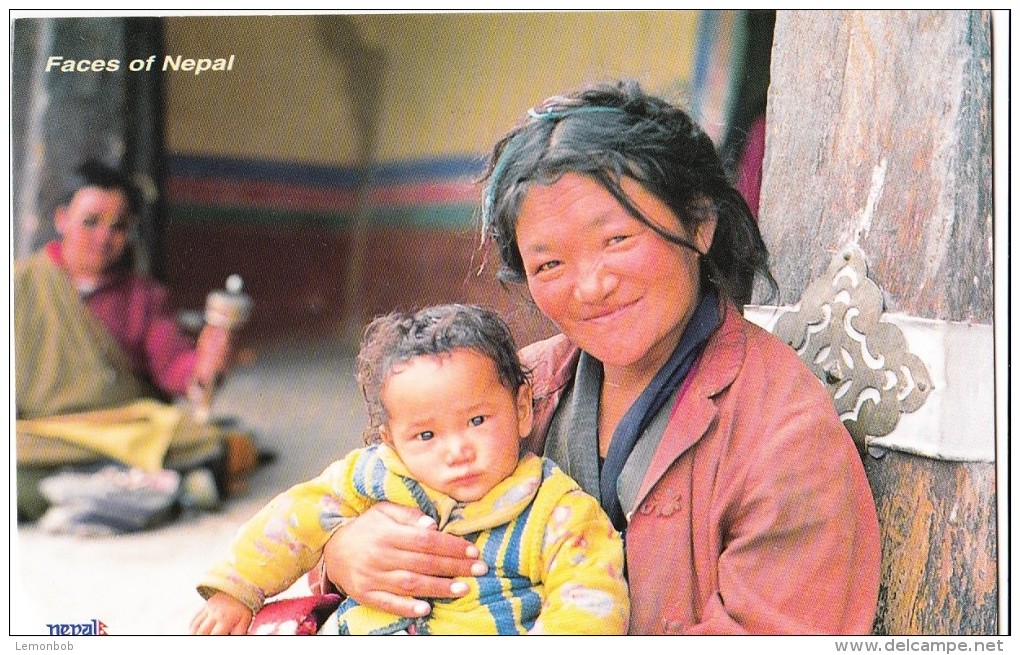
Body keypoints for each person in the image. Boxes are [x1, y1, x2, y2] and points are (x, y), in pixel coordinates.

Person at [313, 80, 882, 634]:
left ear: (700, 224)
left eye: (617, 240)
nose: (590, 287)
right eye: (550, 265)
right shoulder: (514, 386)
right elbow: (362, 489)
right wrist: (342, 551)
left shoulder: (784, 432)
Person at [191, 304, 629, 635]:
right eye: (426, 436)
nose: (457, 451)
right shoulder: (373, 477)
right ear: (390, 438)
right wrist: (235, 590)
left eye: (477, 421)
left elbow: (590, 596)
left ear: (520, 409)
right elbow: (292, 519)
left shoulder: (555, 509)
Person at [14, 159, 256, 522]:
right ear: (62, 219)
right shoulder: (19, 284)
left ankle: (74, 494)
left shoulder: (143, 296)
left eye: (118, 227)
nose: (103, 238)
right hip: (42, 434)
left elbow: (176, 369)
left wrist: (209, 359)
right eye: (91, 221)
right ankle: (151, 490)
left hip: (122, 429)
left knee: (211, 441)